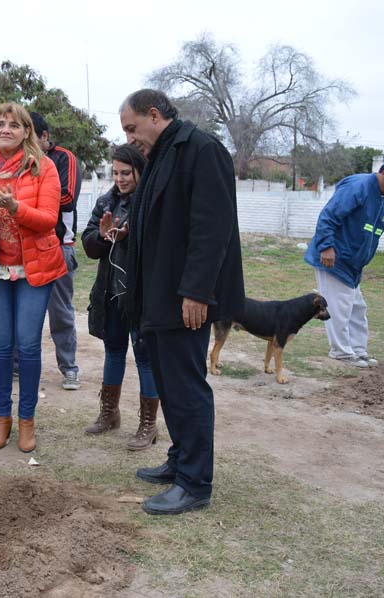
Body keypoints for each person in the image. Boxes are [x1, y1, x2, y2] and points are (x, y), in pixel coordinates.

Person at [120, 89, 244, 515]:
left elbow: (212, 227)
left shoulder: (202, 149)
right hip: (158, 294)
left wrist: (197, 291)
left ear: (155, 115)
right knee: (170, 385)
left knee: (187, 387)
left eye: (132, 128)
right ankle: (180, 460)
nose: (130, 138)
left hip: (185, 297)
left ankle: (195, 484)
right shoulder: (162, 152)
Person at [0, 102, 66, 453]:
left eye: (14, 125)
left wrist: (16, 208)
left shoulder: (44, 168)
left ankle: (26, 420)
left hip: (34, 270)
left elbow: (49, 219)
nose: (5, 130)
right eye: (0, 124)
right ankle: (1, 419)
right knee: (2, 347)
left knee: (29, 344)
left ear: (26, 133)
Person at [305, 157, 384, 367]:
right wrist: (326, 246)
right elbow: (329, 216)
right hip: (334, 258)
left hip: (355, 265)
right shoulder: (358, 187)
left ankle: (358, 350)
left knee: (357, 308)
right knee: (340, 307)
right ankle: (341, 353)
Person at [82, 144, 160, 450]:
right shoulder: (106, 202)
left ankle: (148, 425)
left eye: (126, 172)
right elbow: (89, 246)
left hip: (141, 296)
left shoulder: (151, 201)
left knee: (145, 358)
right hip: (111, 293)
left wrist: (131, 236)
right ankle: (109, 413)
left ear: (139, 170)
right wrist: (104, 235)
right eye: (115, 172)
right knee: (113, 352)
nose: (120, 178)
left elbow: (160, 246)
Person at [31, 111, 83, 390]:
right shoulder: (17, 161)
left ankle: (69, 368)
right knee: (22, 311)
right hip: (25, 248)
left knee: (60, 311)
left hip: (58, 247)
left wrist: (29, 201)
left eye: (29, 136)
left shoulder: (65, 158)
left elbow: (67, 198)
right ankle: (16, 366)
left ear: (45, 137)